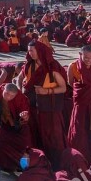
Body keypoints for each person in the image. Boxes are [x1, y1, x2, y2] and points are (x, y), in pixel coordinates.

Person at [20, 40, 67, 169]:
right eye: (29, 51)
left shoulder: (51, 67)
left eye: (32, 51)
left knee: (52, 137)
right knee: (35, 135)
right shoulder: (29, 66)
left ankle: (56, 164)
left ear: (40, 51)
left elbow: (63, 88)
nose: (30, 54)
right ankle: (37, 162)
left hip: (49, 109)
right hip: (33, 107)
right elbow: (21, 79)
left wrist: (46, 91)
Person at [0, 83, 32, 173]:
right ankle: (6, 167)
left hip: (18, 126)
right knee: (1, 145)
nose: (8, 97)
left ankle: (24, 168)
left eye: (12, 96)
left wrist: (24, 116)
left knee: (24, 148)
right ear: (3, 89)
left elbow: (26, 113)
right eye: (7, 94)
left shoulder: (21, 98)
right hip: (4, 125)